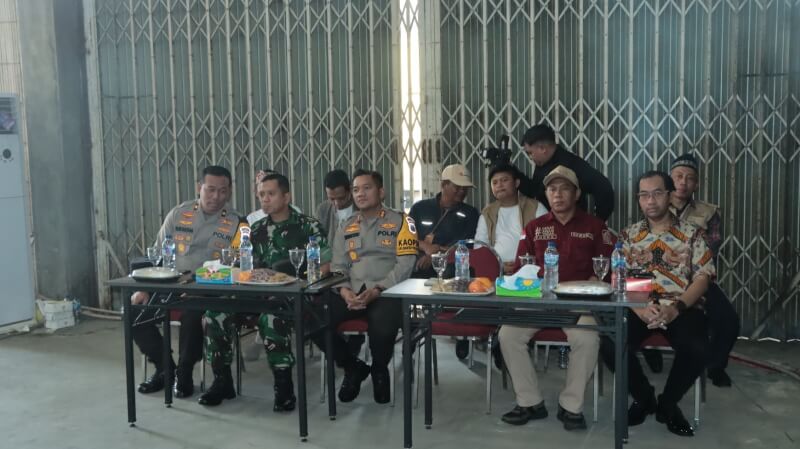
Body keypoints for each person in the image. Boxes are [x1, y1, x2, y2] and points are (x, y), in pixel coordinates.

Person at [199, 173, 331, 410]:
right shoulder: (255, 228)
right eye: (261, 194)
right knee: (213, 314)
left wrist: (301, 284)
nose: (265, 199)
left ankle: (284, 387)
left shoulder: (308, 226)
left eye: (271, 194)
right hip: (255, 294)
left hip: (291, 298)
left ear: (286, 197)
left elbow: (325, 266)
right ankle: (222, 381)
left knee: (271, 319)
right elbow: (242, 265)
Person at [498, 165, 614, 430]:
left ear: (577, 194)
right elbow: (521, 269)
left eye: (564, 189)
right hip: (540, 300)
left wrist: (593, 283)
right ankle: (530, 402)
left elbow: (606, 269)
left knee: (587, 339)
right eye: (552, 189)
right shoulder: (534, 227)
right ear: (546, 194)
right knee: (508, 334)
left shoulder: (595, 227)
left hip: (579, 303)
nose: (558, 194)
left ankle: (571, 406)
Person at [600, 170, 714, 437]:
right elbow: (618, 277)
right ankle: (644, 398)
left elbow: (703, 278)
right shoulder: (628, 236)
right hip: (638, 306)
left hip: (681, 307)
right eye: (644, 195)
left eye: (657, 193)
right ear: (638, 199)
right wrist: (638, 309)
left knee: (697, 347)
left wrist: (676, 309)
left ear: (670, 195)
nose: (650, 201)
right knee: (610, 343)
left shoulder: (693, 234)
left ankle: (668, 404)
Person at [131, 166, 246, 398]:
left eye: (223, 191)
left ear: (229, 192)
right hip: (170, 283)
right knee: (133, 311)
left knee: (192, 313)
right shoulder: (178, 214)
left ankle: (184, 372)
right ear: (199, 188)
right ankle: (165, 369)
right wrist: (143, 287)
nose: (216, 196)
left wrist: (200, 283)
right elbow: (157, 254)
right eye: (210, 190)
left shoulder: (237, 224)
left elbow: (237, 266)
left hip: (208, 289)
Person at [311, 169, 418, 404]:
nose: (360, 194)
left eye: (367, 188)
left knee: (383, 325)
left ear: (381, 192)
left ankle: (379, 370)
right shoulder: (346, 226)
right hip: (352, 290)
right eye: (356, 189)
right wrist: (344, 290)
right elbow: (338, 265)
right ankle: (352, 367)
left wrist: (378, 290)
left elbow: (405, 265)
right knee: (312, 318)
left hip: (387, 292)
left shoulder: (403, 222)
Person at [669, 153, 738, 387]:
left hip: (698, 279)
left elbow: (710, 249)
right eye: (678, 176)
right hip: (663, 280)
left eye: (689, 178)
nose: (683, 182)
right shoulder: (656, 206)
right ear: (670, 180)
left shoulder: (708, 212)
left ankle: (716, 366)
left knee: (728, 320)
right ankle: (652, 353)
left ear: (696, 184)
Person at [517, 123, 615, 221]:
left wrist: (597, 221)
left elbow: (603, 188)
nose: (530, 157)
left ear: (542, 149)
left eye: (530, 153)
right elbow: (534, 191)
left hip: (572, 225)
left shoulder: (573, 164)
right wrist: (514, 174)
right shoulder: (543, 163)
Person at [474, 163, 548, 275]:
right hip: (498, 273)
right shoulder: (487, 213)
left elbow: (547, 244)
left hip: (530, 272)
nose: (499, 185)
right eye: (495, 182)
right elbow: (480, 248)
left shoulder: (536, 207)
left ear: (516, 183)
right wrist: (498, 266)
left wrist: (524, 265)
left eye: (504, 180)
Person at [409, 163, 480, 278]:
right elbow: (405, 238)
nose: (462, 191)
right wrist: (425, 246)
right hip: (418, 268)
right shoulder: (419, 208)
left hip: (452, 270)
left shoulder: (471, 213)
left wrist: (437, 253)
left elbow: (467, 245)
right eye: (457, 187)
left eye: (465, 188)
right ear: (443, 184)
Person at [316, 169, 357, 242]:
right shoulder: (323, 209)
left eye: (341, 198)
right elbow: (318, 239)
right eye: (332, 199)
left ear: (350, 191)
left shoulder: (361, 206)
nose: (337, 203)